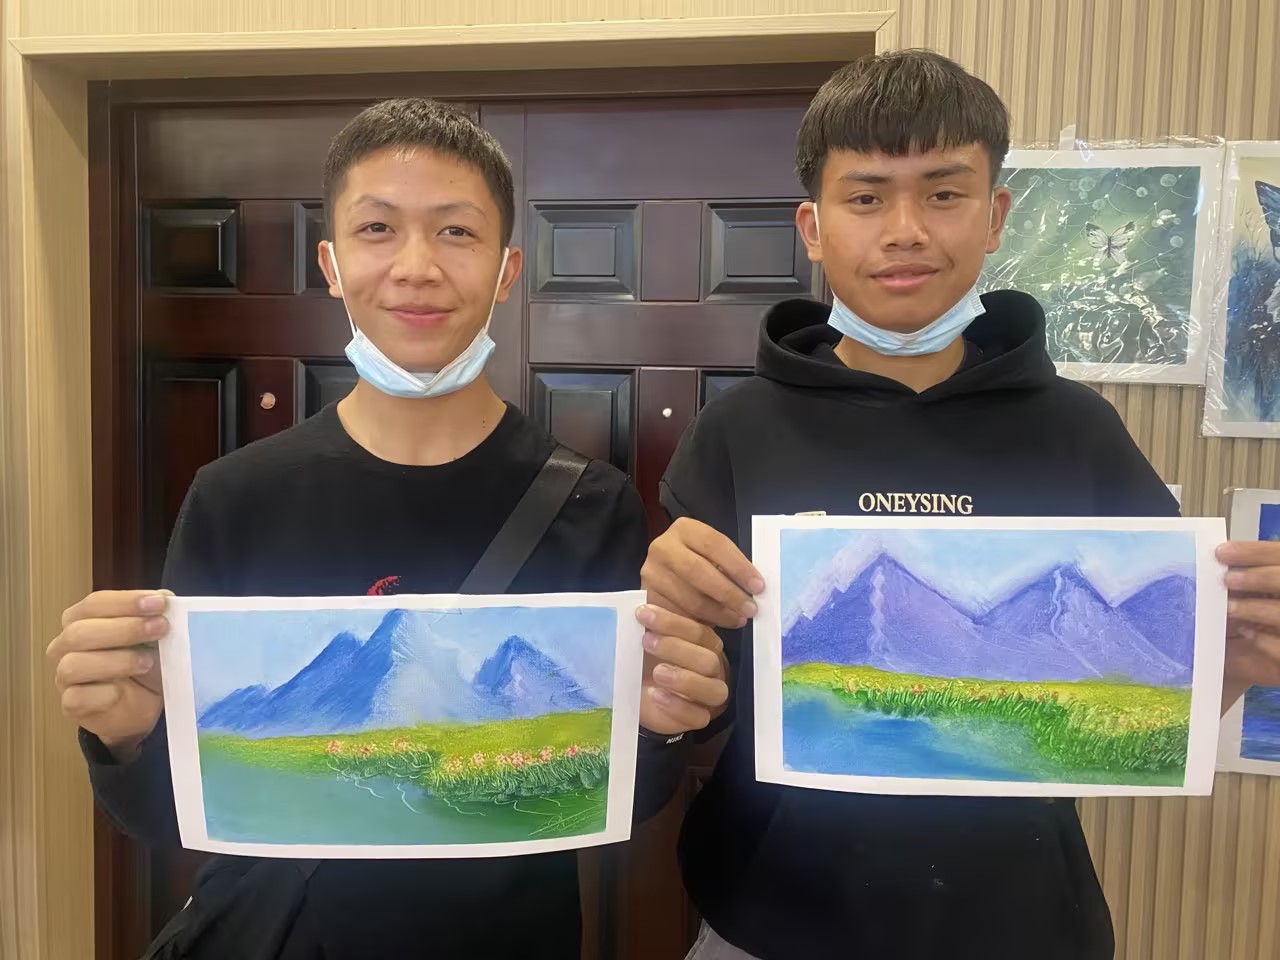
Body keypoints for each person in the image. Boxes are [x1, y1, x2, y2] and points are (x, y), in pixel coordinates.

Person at [47, 98, 727, 960]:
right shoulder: (237, 498)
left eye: (456, 232)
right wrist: (127, 733)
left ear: (507, 270)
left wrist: (662, 727)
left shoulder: (593, 505)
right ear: (331, 263)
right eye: (377, 229)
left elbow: (612, 799)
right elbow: (172, 813)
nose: (416, 268)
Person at [640, 50, 1280, 960]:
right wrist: (667, 645)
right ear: (813, 226)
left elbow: (1150, 703)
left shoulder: (1079, 432)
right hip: (769, 922)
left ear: (995, 216)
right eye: (867, 197)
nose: (905, 230)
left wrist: (1236, 663)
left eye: (943, 193)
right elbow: (696, 705)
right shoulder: (736, 432)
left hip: (1020, 925)